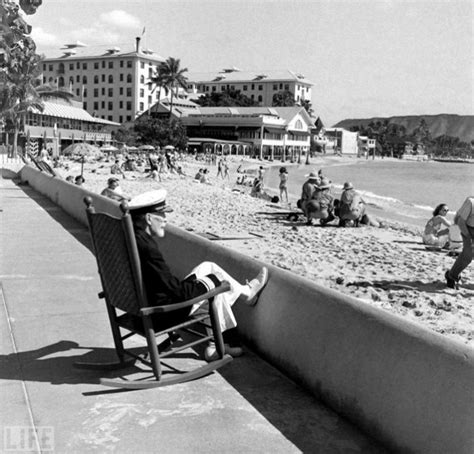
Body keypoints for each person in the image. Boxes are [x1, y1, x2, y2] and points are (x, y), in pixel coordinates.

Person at [129, 189, 269, 361]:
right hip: (161, 314)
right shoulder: (148, 249)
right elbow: (178, 292)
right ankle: (216, 345)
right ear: (149, 218)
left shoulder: (131, 240)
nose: (166, 219)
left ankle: (246, 294)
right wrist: (210, 284)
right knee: (218, 285)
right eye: (162, 214)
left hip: (140, 308)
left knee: (208, 267)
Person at [445, 197, 474, 289]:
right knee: (468, 255)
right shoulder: (470, 202)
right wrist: (469, 237)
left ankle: (452, 274)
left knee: (467, 255)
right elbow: (460, 221)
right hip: (468, 230)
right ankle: (451, 275)